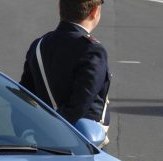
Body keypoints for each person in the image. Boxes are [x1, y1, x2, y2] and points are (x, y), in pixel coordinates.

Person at [20, 0, 110, 146]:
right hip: (80, 142)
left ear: (59, 8)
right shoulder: (92, 50)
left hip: (42, 138)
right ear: (95, 11)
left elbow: (24, 95)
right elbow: (80, 104)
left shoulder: (39, 44)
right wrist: (57, 130)